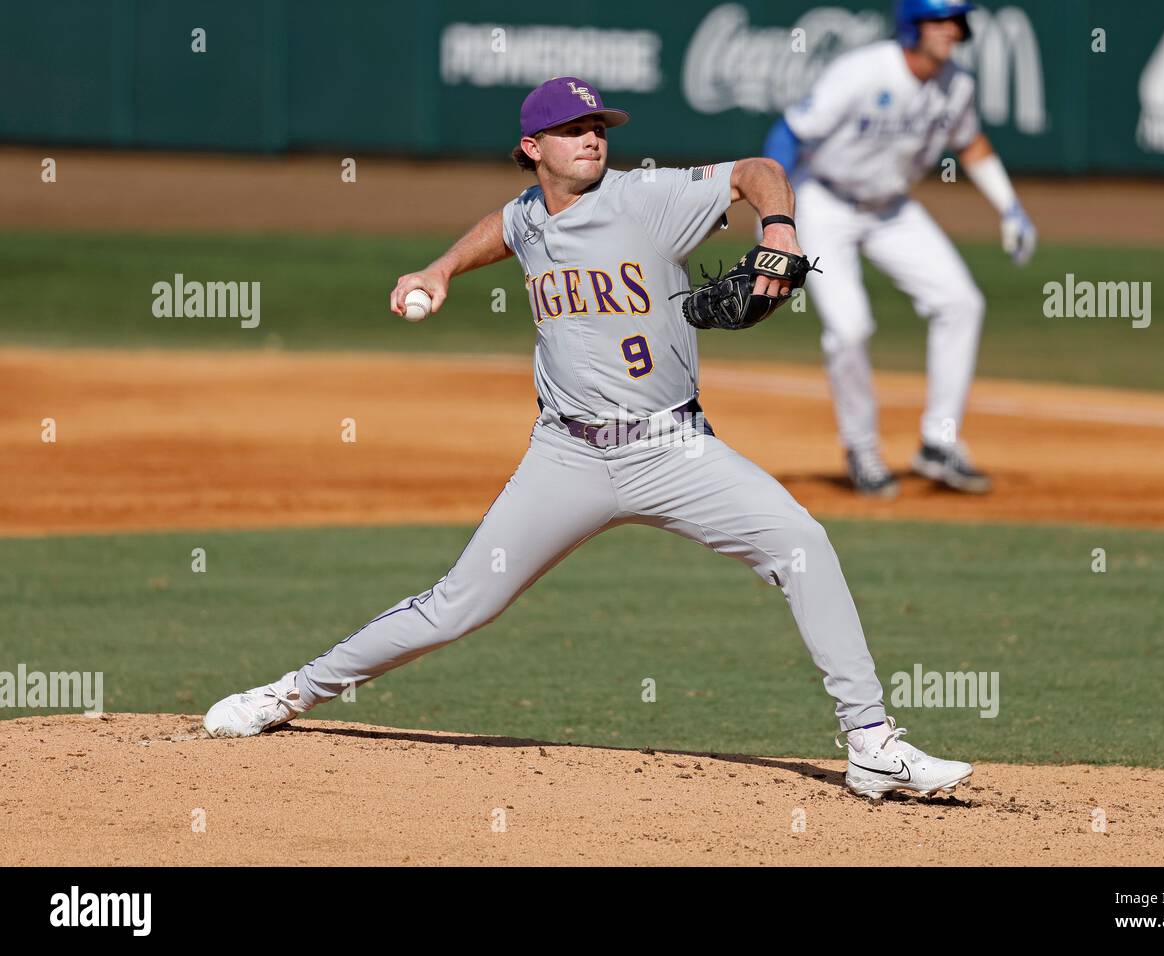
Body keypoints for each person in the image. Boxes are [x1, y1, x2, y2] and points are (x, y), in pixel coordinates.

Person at [201, 75, 973, 801]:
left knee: (802, 544)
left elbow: (757, 167)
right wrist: (440, 269)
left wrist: (776, 225)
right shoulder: (530, 214)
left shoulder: (646, 199)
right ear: (532, 149)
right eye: (572, 131)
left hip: (674, 450)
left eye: (598, 127)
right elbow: (503, 228)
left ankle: (870, 742)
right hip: (566, 455)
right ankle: (289, 693)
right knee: (457, 606)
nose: (592, 139)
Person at [763, 0, 1037, 497]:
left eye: (956, 21)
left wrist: (1009, 206)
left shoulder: (957, 85)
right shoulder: (863, 72)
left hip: (891, 209)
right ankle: (861, 448)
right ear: (912, 24)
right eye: (940, 20)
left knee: (961, 303)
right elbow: (789, 132)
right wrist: (775, 217)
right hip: (825, 200)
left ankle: (939, 443)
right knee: (849, 329)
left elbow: (970, 144)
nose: (951, 30)